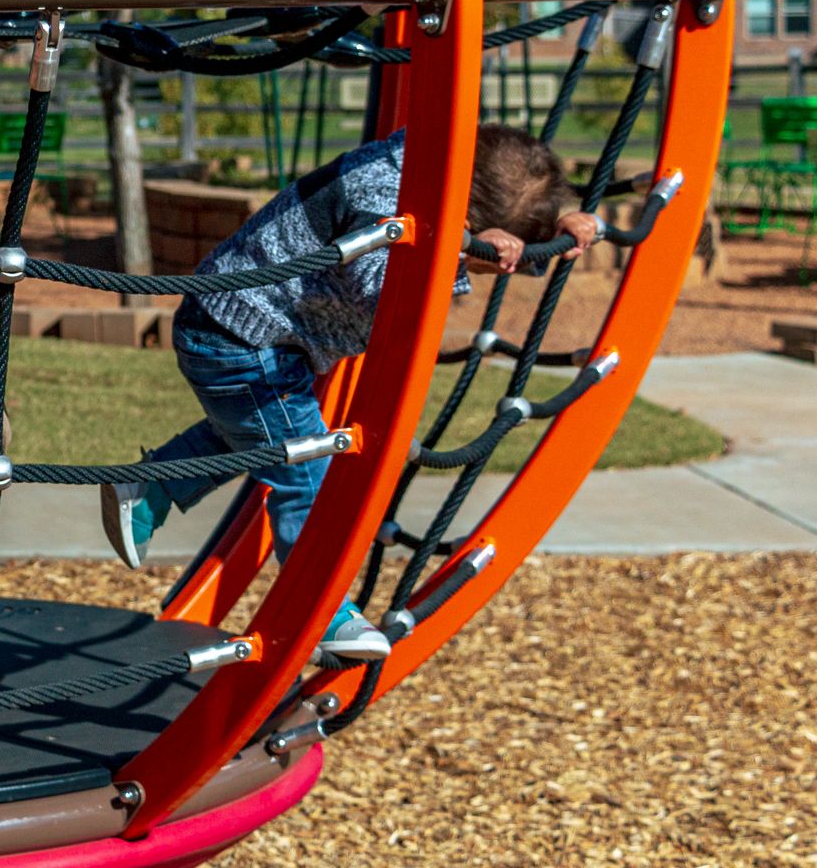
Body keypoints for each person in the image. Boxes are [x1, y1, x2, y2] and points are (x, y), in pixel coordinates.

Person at [100, 125, 601, 660]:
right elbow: (388, 290)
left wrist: (554, 228)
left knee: (259, 433)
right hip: (241, 334)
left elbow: (497, 230)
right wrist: (462, 251)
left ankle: (150, 488)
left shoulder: (432, 163)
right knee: (307, 475)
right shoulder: (384, 193)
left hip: (255, 333)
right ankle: (319, 611)